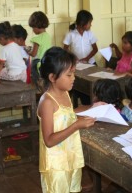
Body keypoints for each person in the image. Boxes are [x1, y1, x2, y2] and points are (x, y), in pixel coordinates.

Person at [37, 47, 96, 193]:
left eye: (73, 73)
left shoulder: (64, 93)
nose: (74, 78)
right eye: (69, 75)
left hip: (71, 157)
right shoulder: (47, 102)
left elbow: (67, 113)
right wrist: (76, 125)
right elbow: (49, 141)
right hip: (56, 165)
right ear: (52, 77)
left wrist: (93, 107)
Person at [63, 10, 98, 106]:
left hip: (91, 64)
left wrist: (87, 58)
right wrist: (73, 58)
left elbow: (95, 49)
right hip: (78, 66)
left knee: (96, 86)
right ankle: (87, 105)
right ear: (83, 23)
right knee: (83, 88)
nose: (91, 25)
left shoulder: (89, 33)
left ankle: (95, 105)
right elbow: (65, 50)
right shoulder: (71, 34)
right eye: (90, 23)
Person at [27, 11, 52, 90]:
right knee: (45, 82)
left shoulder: (37, 39)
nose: (33, 30)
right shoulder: (47, 36)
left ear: (36, 26)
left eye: (32, 28)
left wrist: (27, 51)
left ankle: (39, 95)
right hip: (47, 62)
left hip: (37, 63)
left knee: (37, 82)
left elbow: (34, 54)